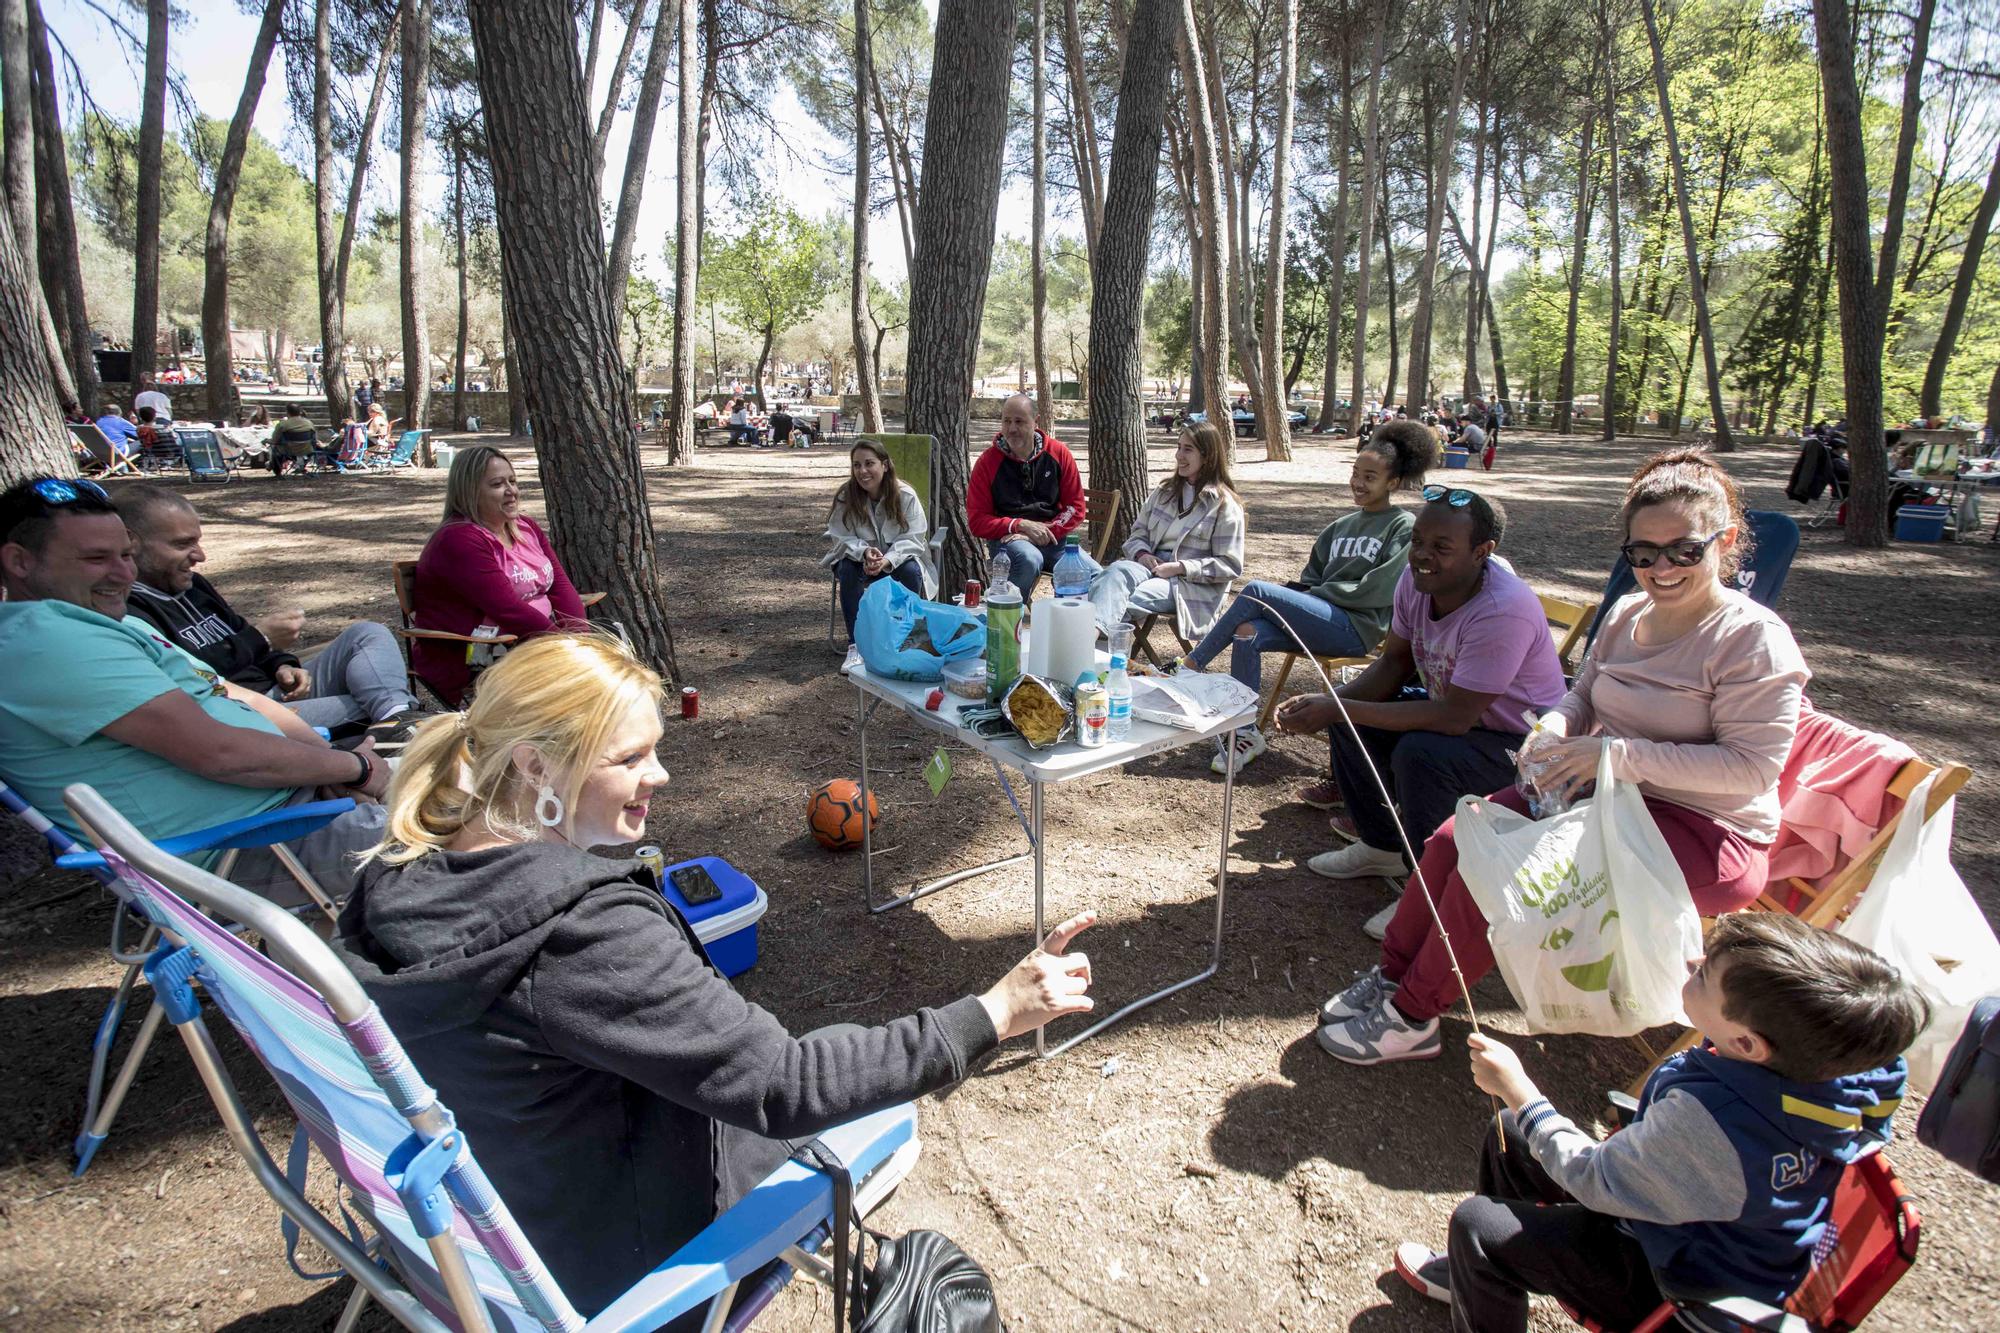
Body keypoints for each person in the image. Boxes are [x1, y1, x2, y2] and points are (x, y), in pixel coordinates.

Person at [333, 634, 1098, 1317]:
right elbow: (786, 1088)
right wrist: (995, 1010)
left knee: (826, 1044)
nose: (659, 775)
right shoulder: (579, 932)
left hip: (490, 1217)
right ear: (535, 764)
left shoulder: (395, 873)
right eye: (629, 757)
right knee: (869, 1104)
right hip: (615, 1266)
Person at [1316, 448, 1811, 1065]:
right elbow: (1582, 692)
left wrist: (1614, 754)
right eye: (1642, 553)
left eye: (1683, 549)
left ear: (1724, 540)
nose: (1662, 567)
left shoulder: (1750, 638)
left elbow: (1750, 771)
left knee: (1501, 876)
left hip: (1709, 831)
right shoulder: (1630, 612)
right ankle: (1393, 975)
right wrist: (1553, 726)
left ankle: (1416, 1014)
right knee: (1452, 840)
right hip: (1607, 795)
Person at [1394, 913, 1925, 1333]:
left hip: (1680, 1283)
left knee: (1478, 1225)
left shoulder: (1715, 1127)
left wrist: (1517, 1086)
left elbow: (1596, 1180)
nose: (1692, 960)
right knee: (1512, 1137)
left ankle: (1483, 1266)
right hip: (1707, 1228)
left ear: (1748, 1043)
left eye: (1704, 974)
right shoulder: (1848, 1068)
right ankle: (1482, 1280)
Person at [0, 478, 391, 904]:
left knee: (462, 784)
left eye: (127, 555)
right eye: (96, 559)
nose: (124, 573)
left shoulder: (111, 623)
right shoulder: (45, 642)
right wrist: (357, 769)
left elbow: (229, 693)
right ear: (19, 562)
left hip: (296, 803)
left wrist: (331, 767)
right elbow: (221, 755)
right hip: (239, 847)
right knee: (469, 832)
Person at [1274, 488, 1568, 942]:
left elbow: (1453, 719)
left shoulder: (1502, 610)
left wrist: (1339, 707)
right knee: (1355, 721)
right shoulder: (1415, 582)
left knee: (1421, 752)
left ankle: (1429, 889)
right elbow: (1393, 664)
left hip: (1523, 747)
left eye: (1441, 548)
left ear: (1481, 552)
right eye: (1417, 542)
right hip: (1461, 717)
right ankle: (1382, 847)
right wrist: (1330, 705)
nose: (1421, 556)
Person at [1174, 420, 1437, 774]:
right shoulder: (1339, 527)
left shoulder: (1402, 526)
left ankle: (1192, 666)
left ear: (1392, 482)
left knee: (1256, 590)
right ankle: (1247, 731)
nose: (1358, 483)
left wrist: (1318, 594)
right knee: (1247, 631)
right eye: (1356, 473)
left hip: (1357, 628)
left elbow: (1380, 588)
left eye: (1370, 477)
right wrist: (1310, 595)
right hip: (1322, 618)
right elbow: (1310, 579)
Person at [119, 486, 425, 736]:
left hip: (279, 690)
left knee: (367, 633)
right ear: (130, 543)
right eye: (183, 544)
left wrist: (282, 663)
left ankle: (399, 718)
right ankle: (401, 722)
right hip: (244, 712)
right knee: (373, 706)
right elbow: (194, 678)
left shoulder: (192, 586)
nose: (200, 555)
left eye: (197, 541)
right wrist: (262, 638)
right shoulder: (128, 612)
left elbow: (237, 632)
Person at [410, 445, 588, 706]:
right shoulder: (459, 539)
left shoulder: (526, 527)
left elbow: (560, 586)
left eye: (512, 481)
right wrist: (564, 649)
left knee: (611, 656)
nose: (511, 491)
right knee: (582, 687)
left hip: (532, 639)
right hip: (474, 651)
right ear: (470, 491)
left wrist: (580, 637)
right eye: (497, 484)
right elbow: (507, 610)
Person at [1084, 420, 1245, 642]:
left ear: (1207, 456)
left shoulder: (1224, 505)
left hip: (1188, 585)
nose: (1179, 455)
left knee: (1110, 597)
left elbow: (1230, 565)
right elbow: (1137, 535)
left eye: (1188, 449)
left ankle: (1085, 650)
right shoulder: (1164, 493)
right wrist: (1143, 554)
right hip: (1149, 567)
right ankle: (1096, 655)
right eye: (1179, 447)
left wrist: (1180, 567)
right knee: (1113, 573)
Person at [967, 393, 1095, 600]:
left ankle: (1080, 624)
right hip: (1009, 542)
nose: (1012, 429)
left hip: (1054, 540)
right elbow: (977, 521)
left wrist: (1042, 531)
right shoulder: (987, 462)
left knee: (1097, 574)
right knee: (1029, 558)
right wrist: (1020, 525)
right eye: (1006, 421)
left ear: (1036, 422)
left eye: (1019, 421)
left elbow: (1075, 508)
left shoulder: (1058, 453)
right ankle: (1004, 618)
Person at [822, 440, 934, 639]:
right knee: (847, 569)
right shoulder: (845, 496)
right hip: (858, 560)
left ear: (885, 465)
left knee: (910, 571)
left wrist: (888, 559)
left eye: (869, 463)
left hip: (897, 560)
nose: (862, 471)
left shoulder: (906, 496)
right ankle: (856, 643)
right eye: (856, 465)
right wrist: (864, 552)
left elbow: (913, 537)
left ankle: (904, 638)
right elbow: (840, 535)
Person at [270, 407, 320, 477]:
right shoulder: (309, 423)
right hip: (307, 451)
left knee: (274, 448)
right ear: (300, 412)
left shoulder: (283, 424)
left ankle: (276, 471)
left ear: (287, 413)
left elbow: (274, 440)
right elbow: (314, 439)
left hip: (289, 452)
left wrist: (267, 441)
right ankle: (302, 466)